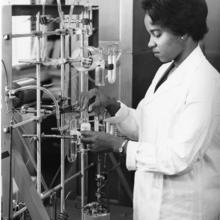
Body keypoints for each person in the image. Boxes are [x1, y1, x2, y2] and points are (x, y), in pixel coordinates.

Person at [80, 0, 220, 219]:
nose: (150, 43)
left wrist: (119, 146)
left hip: (185, 210)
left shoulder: (206, 82)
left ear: (182, 31)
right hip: (150, 204)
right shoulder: (166, 70)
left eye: (156, 34)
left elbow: (180, 157)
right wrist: (111, 104)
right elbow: (147, 127)